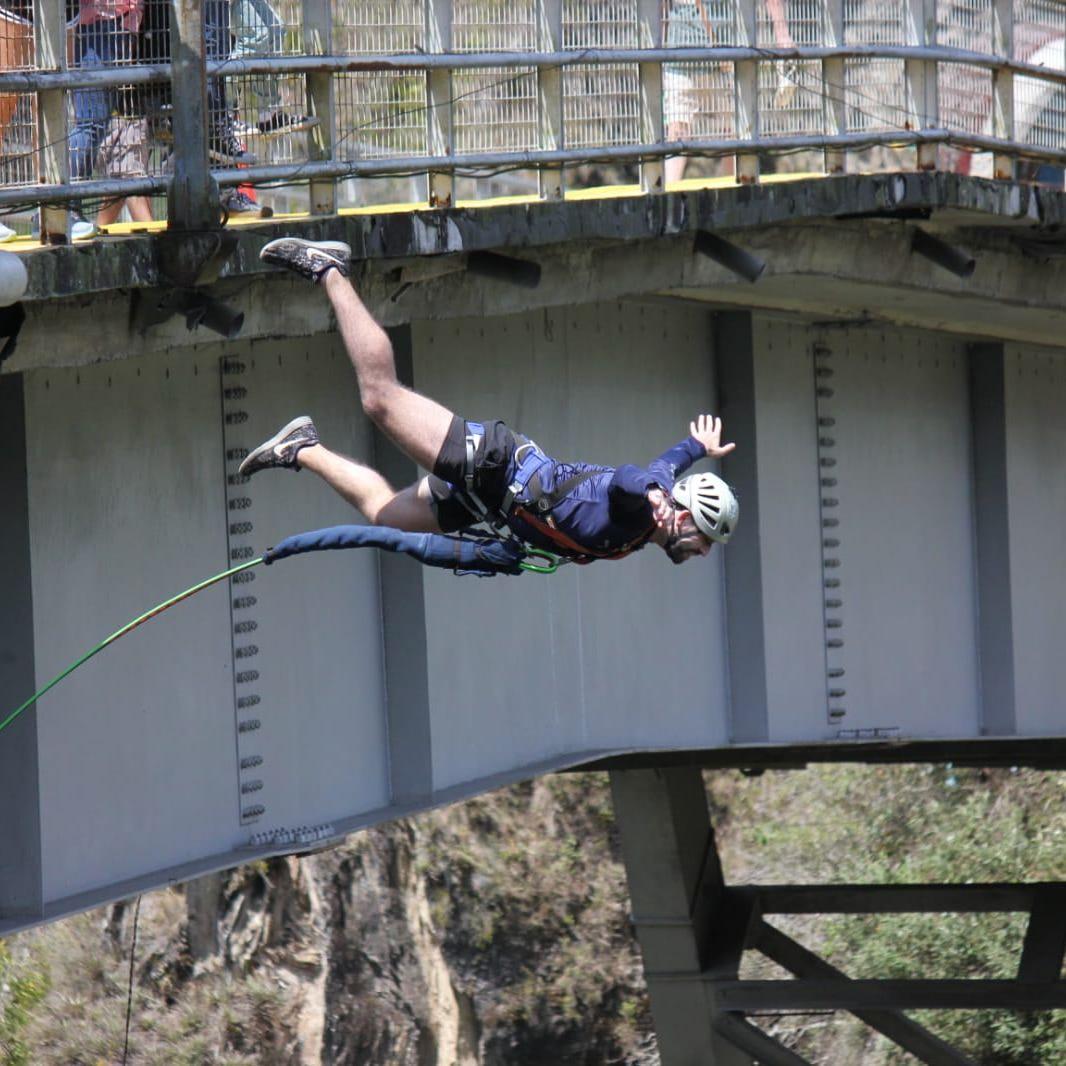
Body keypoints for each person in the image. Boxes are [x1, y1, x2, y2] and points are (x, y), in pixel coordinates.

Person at [240, 237, 739, 568]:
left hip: (491, 501)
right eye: (704, 536)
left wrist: (693, 447)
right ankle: (330, 270)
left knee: (385, 516)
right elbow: (634, 478)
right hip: (493, 465)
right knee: (380, 399)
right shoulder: (640, 507)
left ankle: (300, 447)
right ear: (680, 510)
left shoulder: (641, 531)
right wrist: (655, 491)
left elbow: (663, 464)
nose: (702, 550)